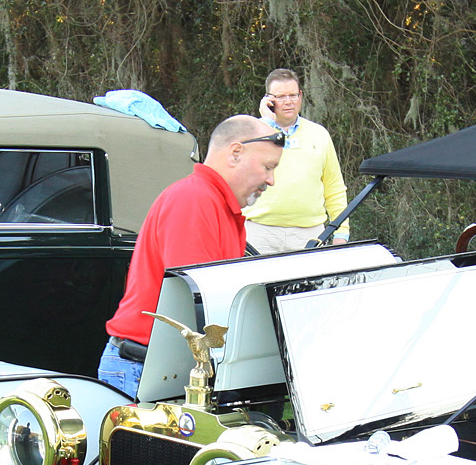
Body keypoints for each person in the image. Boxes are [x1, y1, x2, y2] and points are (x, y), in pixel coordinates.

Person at [98, 115, 285, 396]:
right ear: (235, 153)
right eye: (267, 167)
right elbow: (196, 306)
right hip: (145, 370)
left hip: (162, 365)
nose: (270, 180)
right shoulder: (194, 200)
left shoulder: (217, 204)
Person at [245, 68, 347, 254]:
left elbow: (334, 187)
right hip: (260, 233)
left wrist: (342, 232)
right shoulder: (252, 132)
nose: (288, 102)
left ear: (300, 96)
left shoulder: (319, 134)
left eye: (293, 95)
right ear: (268, 100)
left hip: (310, 234)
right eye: (281, 96)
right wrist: (267, 124)